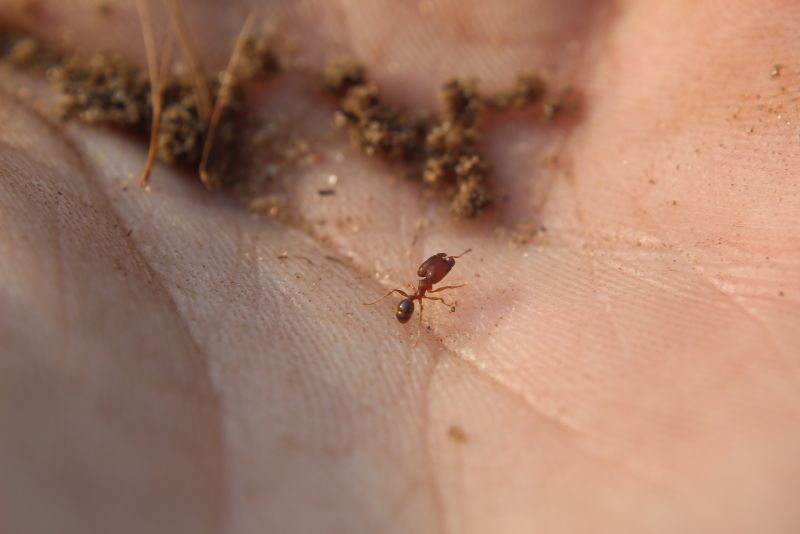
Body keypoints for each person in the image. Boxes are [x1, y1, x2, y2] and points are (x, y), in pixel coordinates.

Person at [1, 1, 798, 532]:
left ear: (418, 298)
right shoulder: (422, 292)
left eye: (414, 304)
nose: (415, 303)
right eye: (415, 303)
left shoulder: (426, 288)